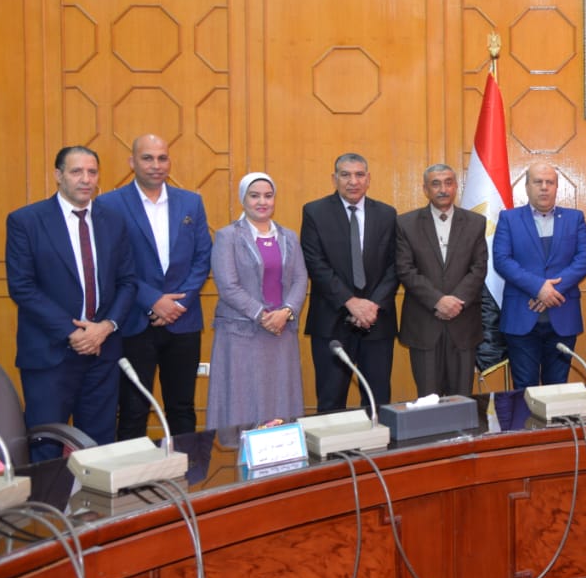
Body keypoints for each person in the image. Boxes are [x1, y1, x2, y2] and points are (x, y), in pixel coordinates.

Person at [5, 146, 136, 455]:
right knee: (46, 448)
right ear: (58, 175)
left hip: (103, 352)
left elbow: (128, 281)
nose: (86, 179)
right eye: (77, 172)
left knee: (100, 450)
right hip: (50, 354)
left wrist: (106, 327)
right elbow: (22, 287)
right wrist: (72, 332)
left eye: (92, 172)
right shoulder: (27, 221)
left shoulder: (114, 221)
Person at [100, 134, 213, 440]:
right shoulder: (109, 204)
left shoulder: (190, 202)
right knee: (133, 410)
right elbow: (110, 264)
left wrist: (179, 304)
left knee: (182, 407)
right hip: (134, 320)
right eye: (147, 158)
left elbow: (203, 256)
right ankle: (135, 473)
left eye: (162, 158)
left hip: (183, 321)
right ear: (132, 162)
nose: (156, 165)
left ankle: (187, 469)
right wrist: (153, 300)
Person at [301, 154, 400, 414]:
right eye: (345, 175)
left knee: (378, 401)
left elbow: (395, 266)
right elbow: (315, 263)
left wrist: (372, 306)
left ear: (368, 179)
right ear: (334, 179)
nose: (352, 181)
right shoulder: (314, 212)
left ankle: (377, 443)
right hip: (331, 322)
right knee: (331, 403)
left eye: (359, 175)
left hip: (377, 322)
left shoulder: (387, 214)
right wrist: (350, 302)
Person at [207, 172, 307, 428]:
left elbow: (300, 279)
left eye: (268, 196)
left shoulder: (289, 237)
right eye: (254, 196)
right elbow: (228, 286)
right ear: (243, 199)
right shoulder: (228, 236)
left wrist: (286, 312)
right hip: (242, 335)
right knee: (244, 405)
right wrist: (263, 316)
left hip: (281, 333)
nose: (262, 202)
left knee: (279, 403)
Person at [493, 163, 586, 389]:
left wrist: (552, 290)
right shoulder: (509, 218)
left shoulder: (574, 218)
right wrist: (538, 288)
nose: (544, 187)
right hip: (521, 319)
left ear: (557, 187)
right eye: (538, 182)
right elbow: (502, 260)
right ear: (527, 186)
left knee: (558, 388)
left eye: (550, 182)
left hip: (563, 317)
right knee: (524, 389)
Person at [395, 164, 488, 397]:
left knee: (461, 398)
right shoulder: (406, 223)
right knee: (428, 400)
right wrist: (438, 301)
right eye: (435, 184)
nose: (443, 189)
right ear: (425, 189)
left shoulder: (476, 222)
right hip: (424, 323)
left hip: (463, 323)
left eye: (448, 182)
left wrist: (456, 302)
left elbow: (479, 268)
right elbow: (405, 269)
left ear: (456, 186)